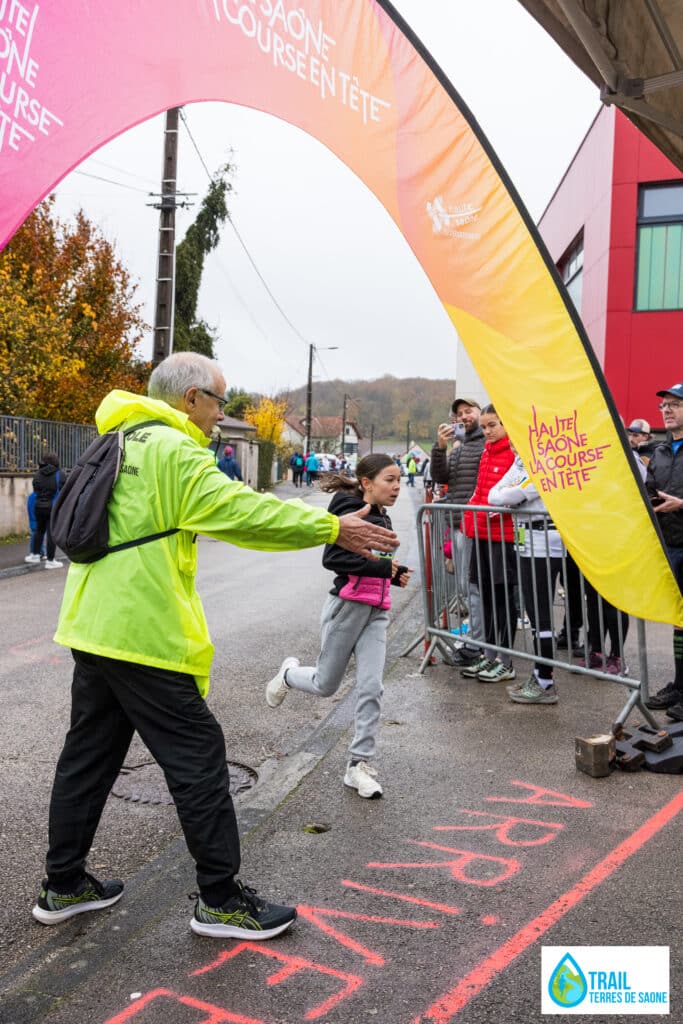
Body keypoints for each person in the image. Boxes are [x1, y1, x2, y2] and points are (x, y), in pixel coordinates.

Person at [32, 352, 398, 940]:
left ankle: (64, 884)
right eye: (219, 401)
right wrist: (331, 527)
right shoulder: (173, 450)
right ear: (191, 398)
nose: (221, 414)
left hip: (92, 624)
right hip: (142, 633)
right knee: (200, 760)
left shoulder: (119, 438)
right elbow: (240, 512)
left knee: (88, 757)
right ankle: (221, 901)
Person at [265, 454, 410, 799]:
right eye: (390, 480)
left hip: (377, 612)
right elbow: (333, 558)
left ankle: (358, 765)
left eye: (399, 480)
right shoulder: (348, 509)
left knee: (372, 687)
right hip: (347, 608)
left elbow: (376, 562)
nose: (396, 487)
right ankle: (289, 675)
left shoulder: (383, 514)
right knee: (326, 685)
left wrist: (395, 574)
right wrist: (383, 570)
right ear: (367, 482)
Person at [488, 450, 562, 704]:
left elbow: (509, 495)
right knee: (533, 612)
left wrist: (512, 493)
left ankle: (545, 681)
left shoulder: (545, 459)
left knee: (541, 613)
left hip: (544, 540)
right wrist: (510, 492)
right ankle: (540, 676)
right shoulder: (522, 459)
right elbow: (494, 494)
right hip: (525, 537)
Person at [460, 405, 516, 683]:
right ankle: (489, 654)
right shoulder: (486, 453)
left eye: (492, 425)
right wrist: (470, 522)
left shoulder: (513, 455)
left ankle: (505, 660)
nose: (487, 431)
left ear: (506, 424)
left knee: (503, 599)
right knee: (487, 598)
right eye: (484, 427)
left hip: (502, 538)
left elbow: (510, 496)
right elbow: (479, 493)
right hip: (482, 534)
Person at [430, 398, 485, 663]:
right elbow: (441, 477)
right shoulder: (459, 446)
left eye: (468, 411)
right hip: (458, 523)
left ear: (480, 412)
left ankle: (475, 644)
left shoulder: (485, 444)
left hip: (475, 525)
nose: (464, 417)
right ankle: (474, 638)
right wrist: (440, 448)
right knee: (465, 586)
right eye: (459, 414)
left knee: (472, 586)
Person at [644, 382, 683, 720]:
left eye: (675, 404)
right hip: (669, 546)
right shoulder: (659, 451)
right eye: (664, 405)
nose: (667, 410)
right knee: (678, 621)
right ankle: (679, 685)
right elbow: (648, 492)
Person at [25, 453, 65, 569]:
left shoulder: (38, 474)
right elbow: (64, 490)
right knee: (51, 534)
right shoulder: (60, 474)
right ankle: (50, 561)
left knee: (39, 531)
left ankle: (35, 555)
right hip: (53, 507)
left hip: (38, 507)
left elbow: (35, 490)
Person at [25, 490, 46, 562]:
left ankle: (38, 553)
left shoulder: (32, 496)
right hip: (36, 520)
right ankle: (36, 553)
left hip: (35, 520)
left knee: (37, 537)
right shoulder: (35, 496)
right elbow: (34, 509)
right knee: (36, 537)